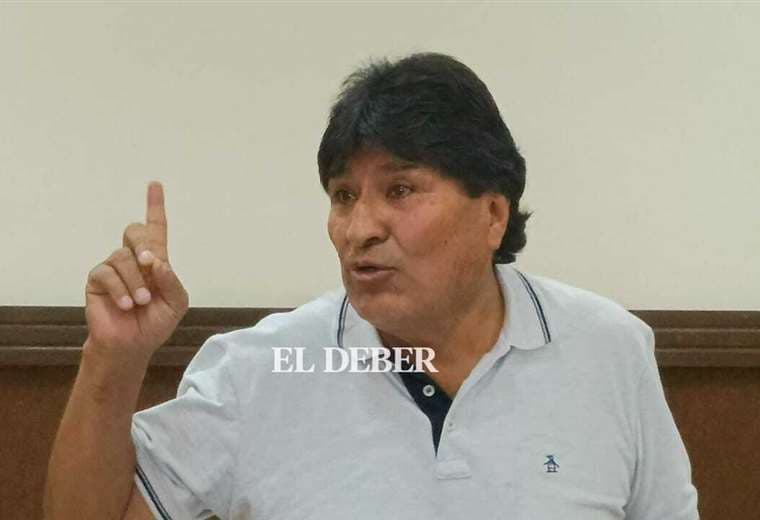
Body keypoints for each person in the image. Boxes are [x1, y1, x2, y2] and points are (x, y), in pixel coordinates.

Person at [45, 52, 699, 519]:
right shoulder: (259, 369)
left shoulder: (609, 350)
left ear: (492, 213)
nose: (361, 228)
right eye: (343, 195)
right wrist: (115, 358)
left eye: (400, 190)